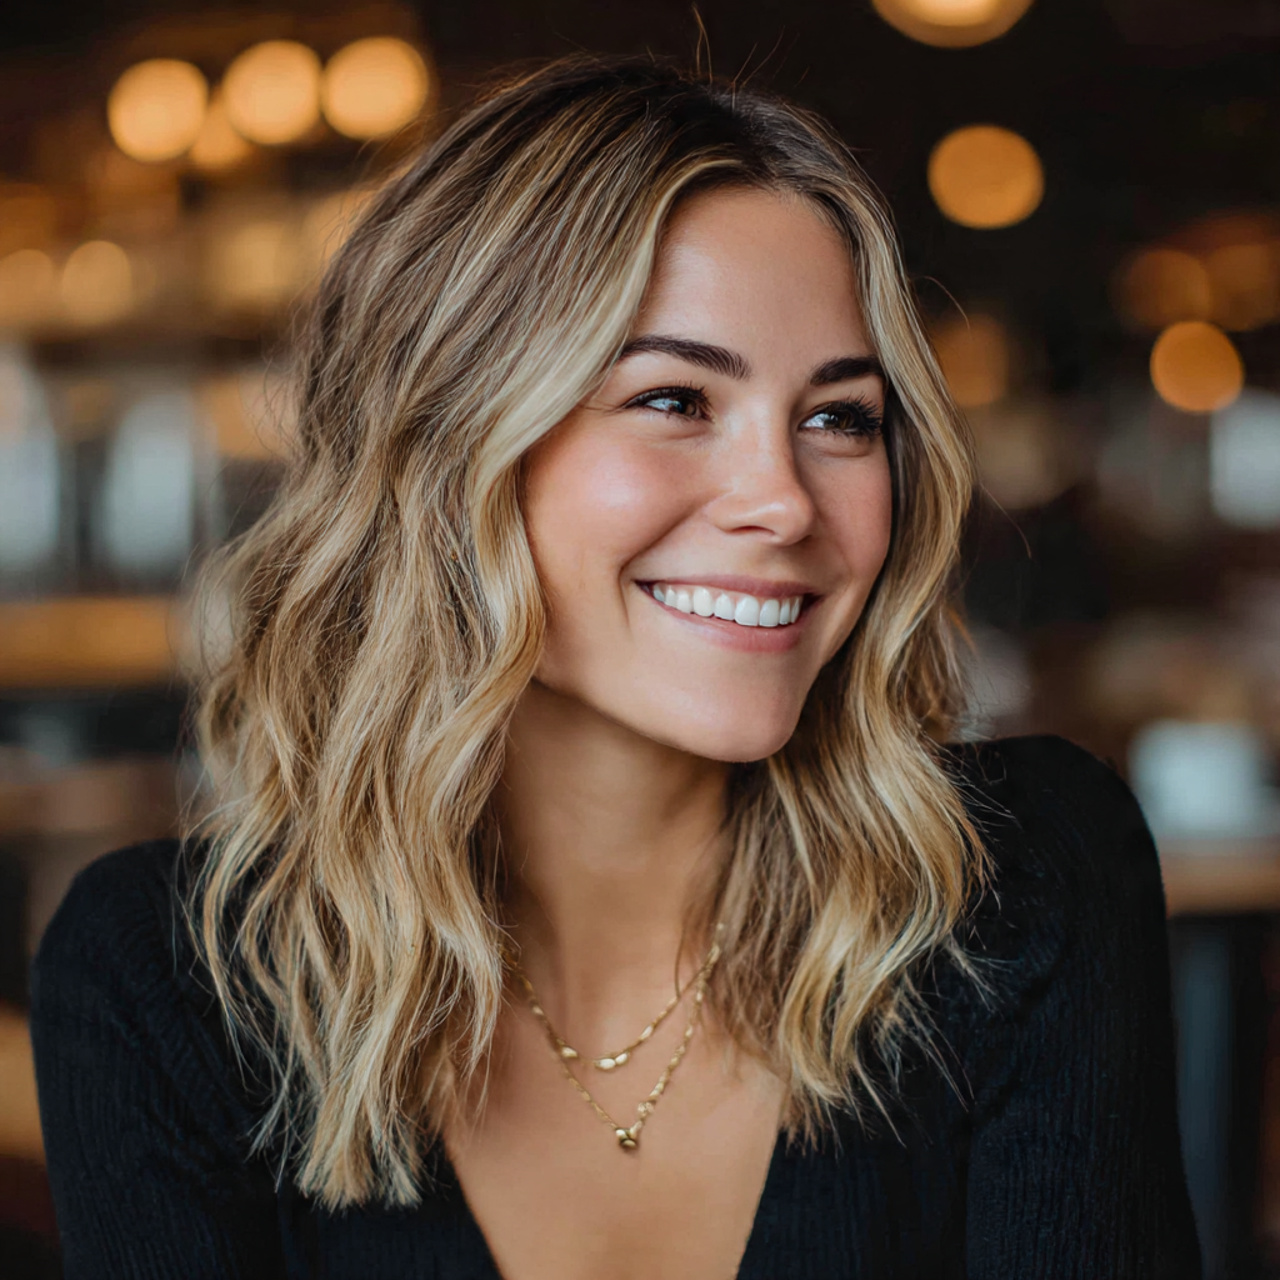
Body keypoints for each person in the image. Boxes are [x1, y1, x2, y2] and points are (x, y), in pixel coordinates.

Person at [31, 55, 1199, 1279]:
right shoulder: (171, 981)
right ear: (452, 441)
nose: (782, 502)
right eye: (674, 397)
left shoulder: (1015, 892)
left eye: (839, 417)